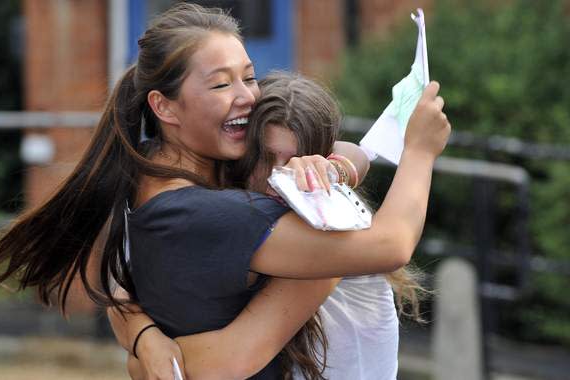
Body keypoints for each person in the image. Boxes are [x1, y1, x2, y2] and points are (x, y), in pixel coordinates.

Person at [0, 4, 450, 379]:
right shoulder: (213, 212)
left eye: (249, 76)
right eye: (221, 84)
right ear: (165, 106)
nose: (245, 96)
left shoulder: (157, 178)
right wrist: (420, 151)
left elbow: (122, 286)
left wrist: (337, 167)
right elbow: (391, 246)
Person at [111, 71, 426, 380]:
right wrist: (144, 336)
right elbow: (124, 292)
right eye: (265, 158)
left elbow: (229, 360)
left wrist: (144, 359)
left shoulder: (333, 230)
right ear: (243, 155)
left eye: (296, 161)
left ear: (320, 161)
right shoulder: (228, 217)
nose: (278, 179)